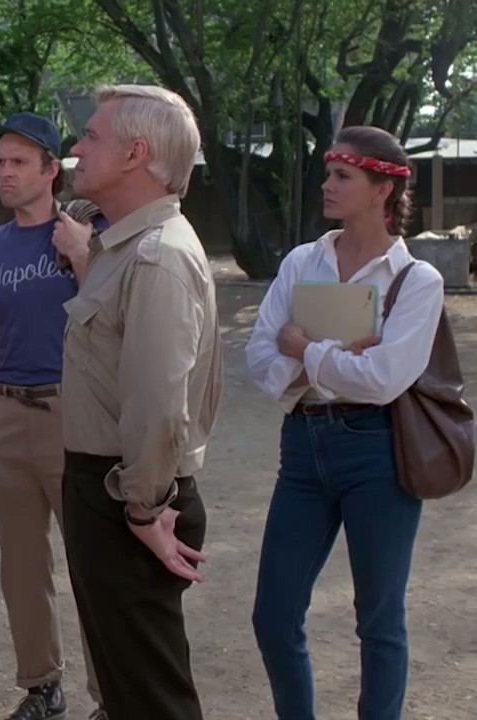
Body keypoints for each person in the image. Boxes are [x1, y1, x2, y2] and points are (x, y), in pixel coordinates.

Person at [245, 125, 443, 720]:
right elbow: (261, 358)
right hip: (303, 445)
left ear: (383, 189)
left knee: (379, 619)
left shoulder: (417, 281)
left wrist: (305, 348)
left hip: (378, 450)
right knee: (273, 615)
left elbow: (382, 380)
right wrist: (333, 357)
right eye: (329, 174)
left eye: (342, 176)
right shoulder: (303, 262)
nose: (326, 185)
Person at [57, 85, 223, 720]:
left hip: (128, 500)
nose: (77, 148)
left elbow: (158, 405)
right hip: (111, 491)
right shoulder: (125, 246)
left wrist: (144, 507)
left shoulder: (157, 256)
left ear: (136, 153)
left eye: (91, 136)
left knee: (153, 700)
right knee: (129, 695)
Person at [0, 111, 108, 720]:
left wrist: (82, 256)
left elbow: (112, 316)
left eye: (19, 162)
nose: (5, 172)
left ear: (52, 170)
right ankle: (42, 687)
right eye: (0, 162)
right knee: (21, 564)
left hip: (70, 414)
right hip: (6, 412)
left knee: (93, 561)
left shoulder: (88, 233)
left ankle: (112, 695)